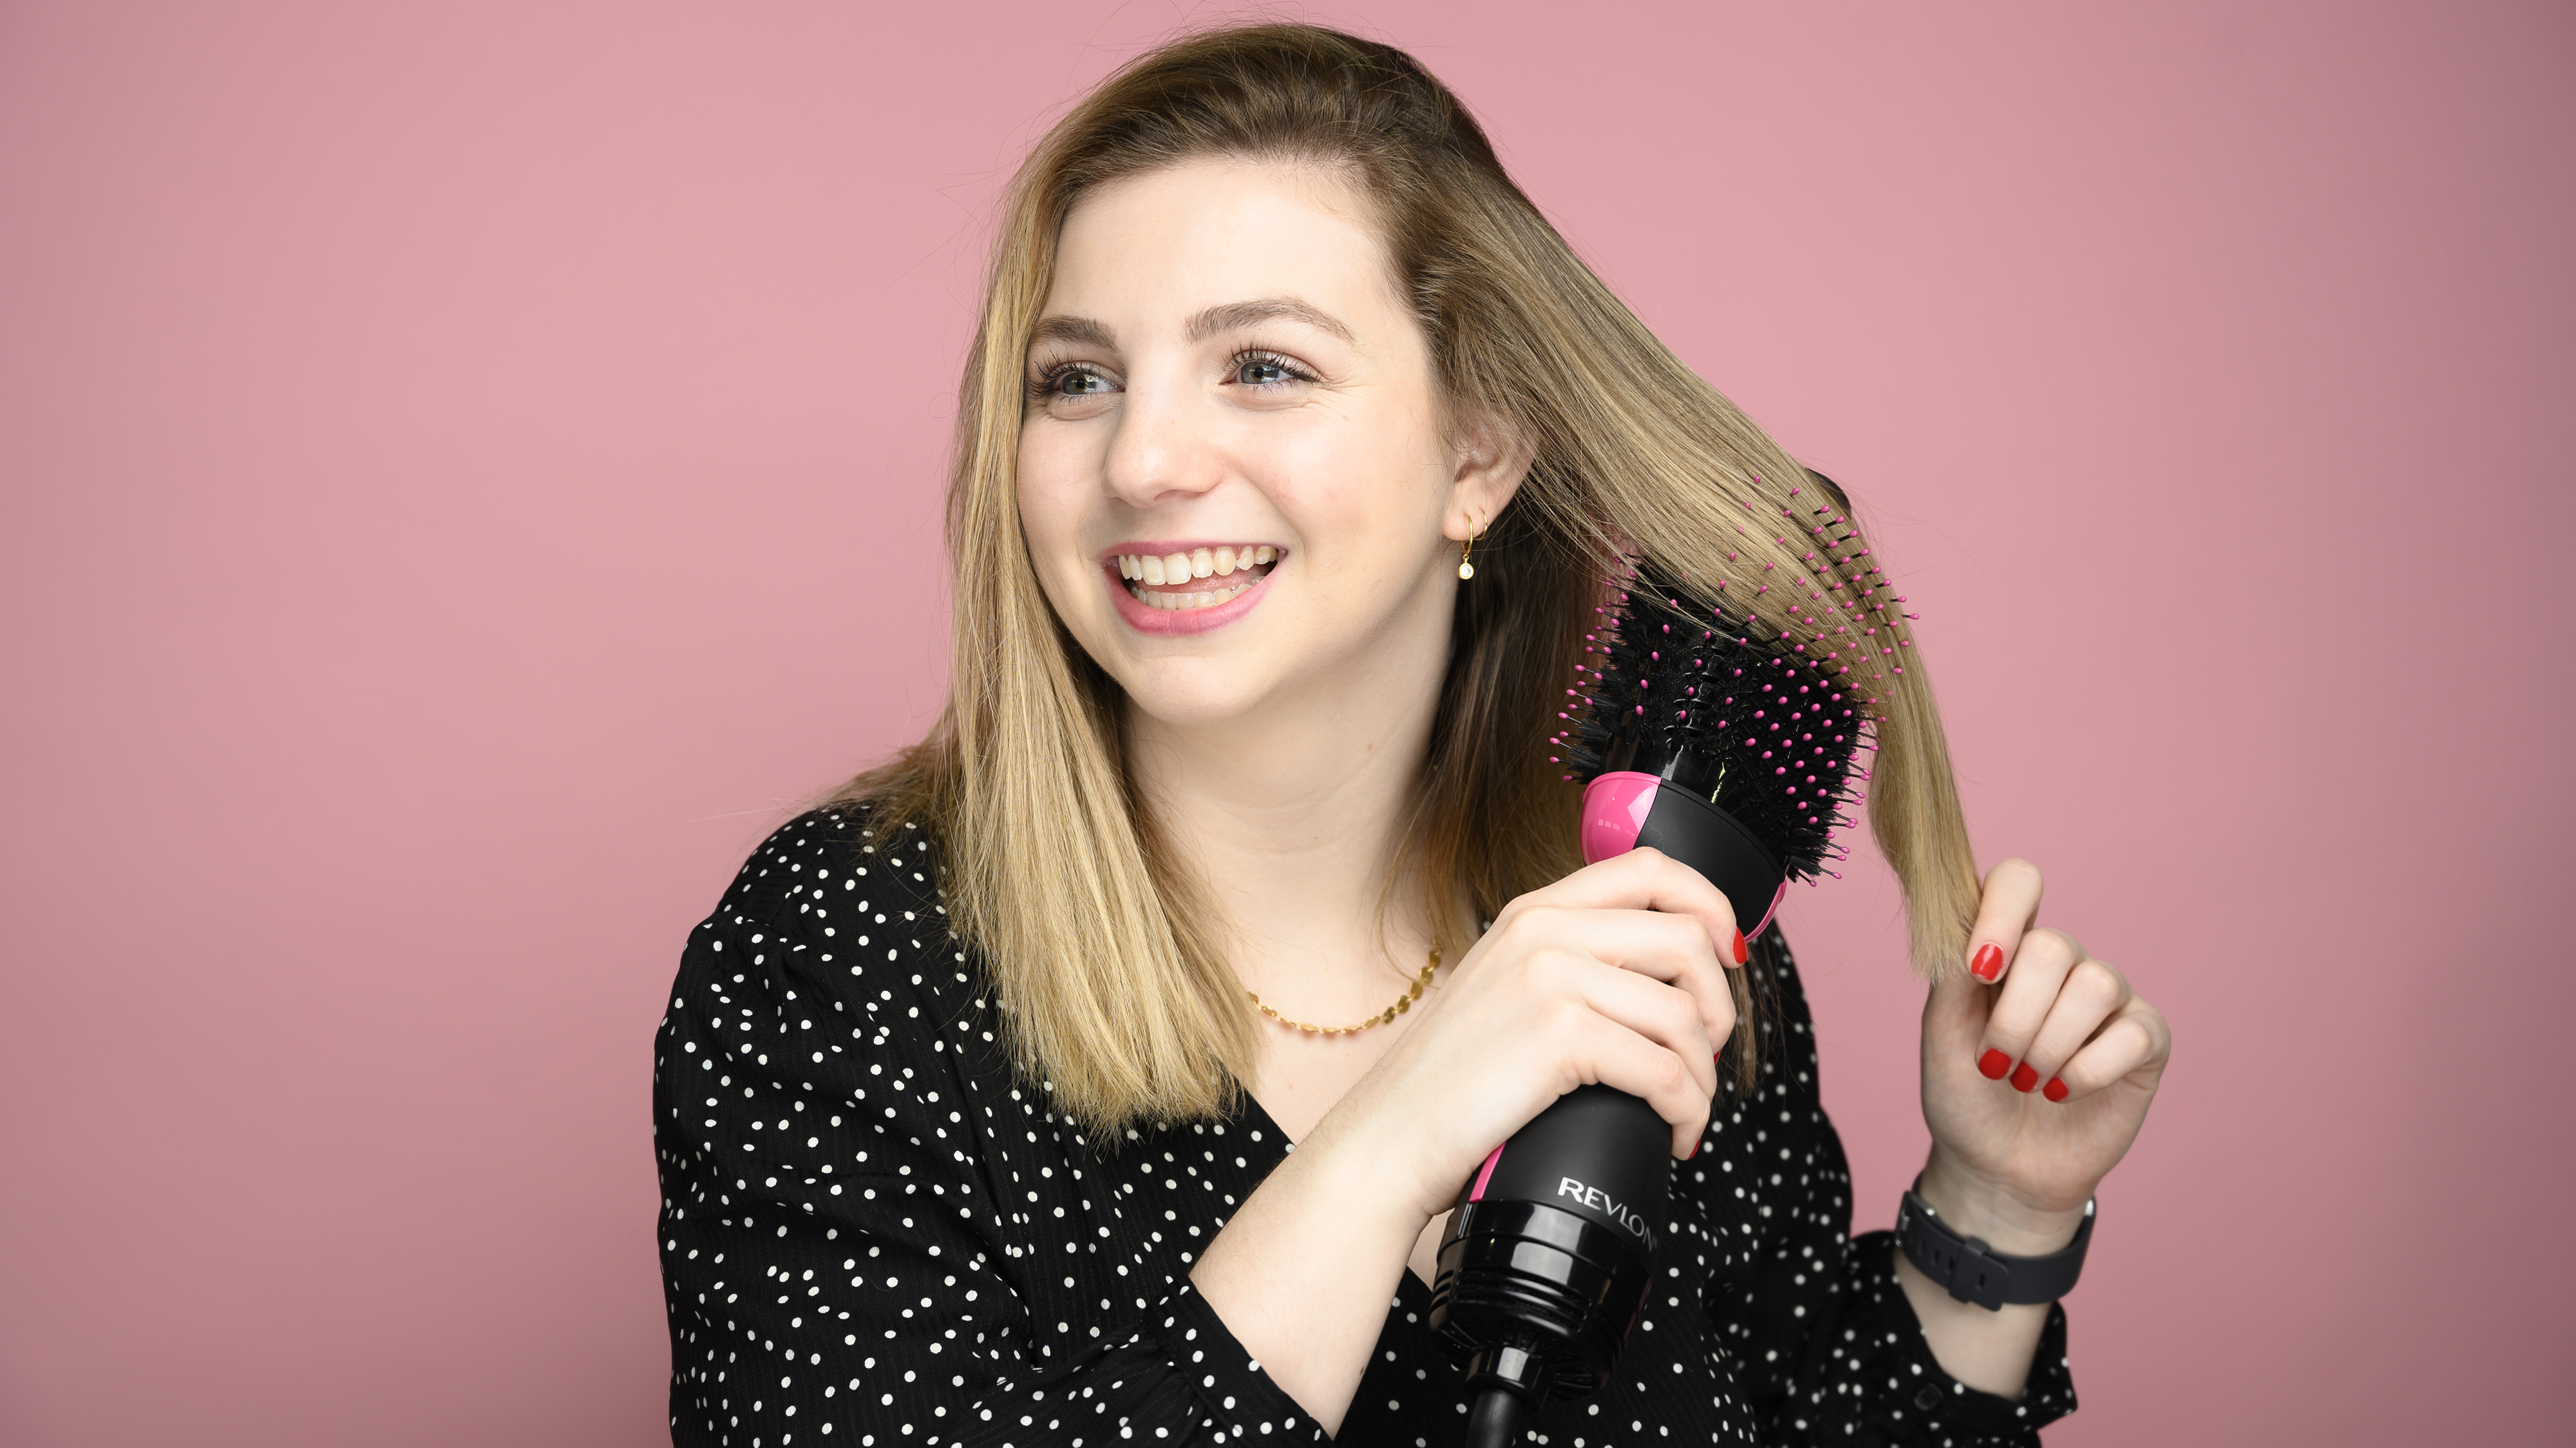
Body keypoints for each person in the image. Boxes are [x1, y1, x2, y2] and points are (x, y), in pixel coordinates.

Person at [653, 23, 2170, 1446]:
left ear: (1479, 453)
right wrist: (1391, 1141)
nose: (1143, 457)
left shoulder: (1653, 948)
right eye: (1077, 380)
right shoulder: (840, 953)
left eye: (1263, 366)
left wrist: (1997, 1213)